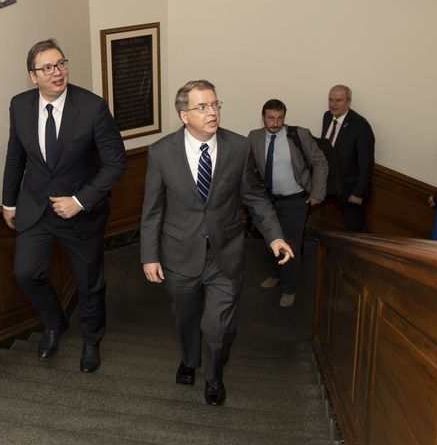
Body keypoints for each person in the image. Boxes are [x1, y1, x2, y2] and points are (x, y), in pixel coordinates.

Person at [141, 80, 293, 406]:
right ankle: (189, 360)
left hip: (225, 254)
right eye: (202, 107)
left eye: (215, 104)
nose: (213, 112)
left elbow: (255, 197)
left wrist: (275, 236)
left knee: (219, 328)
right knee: (185, 319)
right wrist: (149, 255)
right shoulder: (161, 152)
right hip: (179, 254)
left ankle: (214, 377)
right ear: (184, 115)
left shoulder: (238, 147)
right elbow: (152, 210)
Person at [2, 38, 126, 374]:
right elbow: (16, 156)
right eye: (48, 67)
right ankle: (55, 322)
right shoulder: (19, 105)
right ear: (33, 76)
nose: (58, 72)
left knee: (89, 283)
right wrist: (8, 202)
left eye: (61, 64)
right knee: (25, 273)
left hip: (80, 213)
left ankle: (91, 340)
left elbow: (116, 163)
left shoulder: (92, 107)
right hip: (35, 208)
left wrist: (80, 201)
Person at [248, 99, 328, 308]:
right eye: (270, 118)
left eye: (280, 118)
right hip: (269, 202)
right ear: (263, 117)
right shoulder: (254, 137)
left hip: (295, 200)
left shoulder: (299, 134)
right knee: (271, 240)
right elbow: (248, 167)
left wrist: (318, 192)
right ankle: (276, 274)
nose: (275, 123)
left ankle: (289, 288)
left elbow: (320, 162)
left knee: (291, 245)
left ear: (285, 116)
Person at [321, 85, 375, 232]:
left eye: (338, 100)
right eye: (331, 100)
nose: (333, 104)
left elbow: (367, 163)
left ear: (348, 102)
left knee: (357, 229)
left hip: (350, 190)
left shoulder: (361, 125)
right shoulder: (327, 117)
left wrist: (358, 192)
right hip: (330, 183)